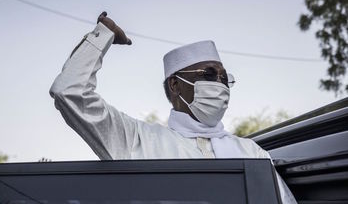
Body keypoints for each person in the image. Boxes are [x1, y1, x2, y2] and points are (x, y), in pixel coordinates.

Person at [50, 12, 297, 203]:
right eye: (209, 74)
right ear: (176, 86)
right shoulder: (137, 141)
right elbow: (69, 91)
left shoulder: (252, 153)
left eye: (224, 78)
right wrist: (104, 34)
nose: (220, 84)